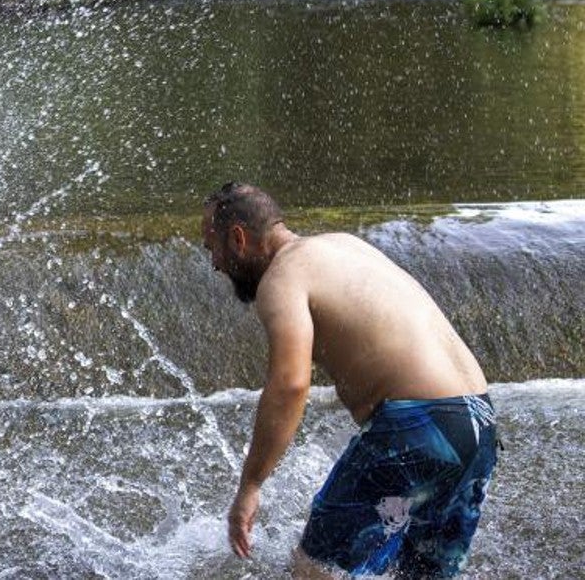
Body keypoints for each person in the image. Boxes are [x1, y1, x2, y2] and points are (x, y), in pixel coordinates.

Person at [201, 182, 498, 578]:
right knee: (423, 574)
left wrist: (250, 485)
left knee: (315, 570)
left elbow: (290, 384)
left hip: (418, 425)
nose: (214, 263)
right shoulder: (342, 245)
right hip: (479, 423)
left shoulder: (283, 278)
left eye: (212, 247)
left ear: (238, 238)